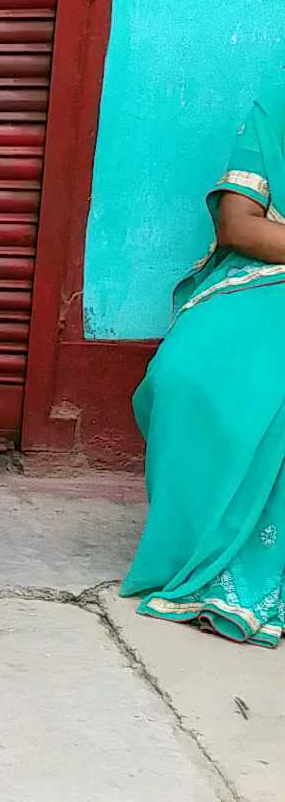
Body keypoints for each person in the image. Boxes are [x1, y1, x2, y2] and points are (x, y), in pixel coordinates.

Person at [121, 91, 285, 647]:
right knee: (184, 376)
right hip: (268, 275)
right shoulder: (276, 113)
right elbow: (240, 225)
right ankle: (194, 549)